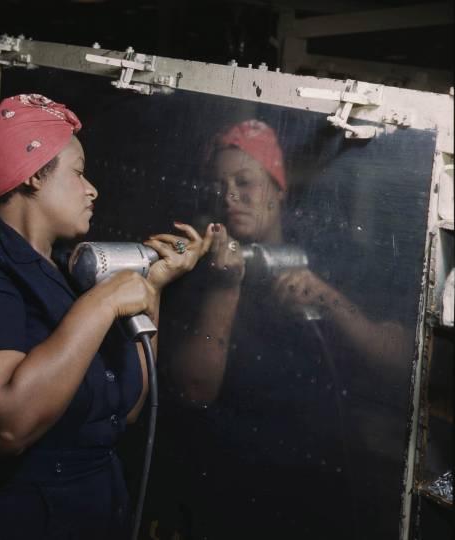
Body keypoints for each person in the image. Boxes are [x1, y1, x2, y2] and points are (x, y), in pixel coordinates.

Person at [0, 94, 214, 539]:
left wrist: (151, 286)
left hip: (100, 507)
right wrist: (102, 304)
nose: (92, 188)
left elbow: (129, 410)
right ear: (35, 175)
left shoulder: (65, 269)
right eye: (78, 173)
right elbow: (5, 425)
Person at [157, 119, 409, 538]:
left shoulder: (331, 253)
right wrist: (225, 285)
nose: (230, 196)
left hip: (321, 483)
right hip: (227, 484)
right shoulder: (196, 270)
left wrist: (328, 299)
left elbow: (402, 364)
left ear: (277, 188)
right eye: (219, 185)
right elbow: (193, 390)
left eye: (245, 181)